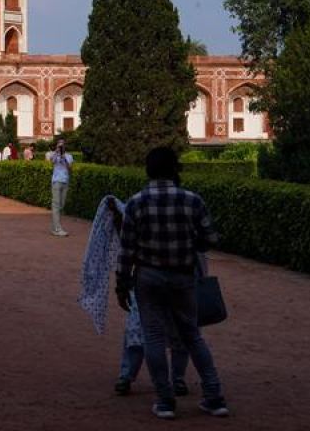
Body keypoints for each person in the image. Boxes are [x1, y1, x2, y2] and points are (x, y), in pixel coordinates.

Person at [116, 147, 229, 419]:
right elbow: (211, 239)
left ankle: (165, 401)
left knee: (153, 337)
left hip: (149, 276)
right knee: (191, 335)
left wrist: (121, 284)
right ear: (175, 169)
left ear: (149, 170)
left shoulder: (137, 202)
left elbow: (126, 249)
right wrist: (191, 245)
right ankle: (214, 397)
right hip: (182, 276)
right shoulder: (192, 200)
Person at [79, 195, 190, 400]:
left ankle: (131, 376)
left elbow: (128, 244)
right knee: (177, 330)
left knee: (140, 330)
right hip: (176, 280)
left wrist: (122, 285)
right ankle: (174, 379)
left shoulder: (142, 202)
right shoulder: (186, 202)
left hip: (146, 280)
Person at [49, 140, 73, 236]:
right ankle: (57, 229)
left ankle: (54, 226)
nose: (61, 147)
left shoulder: (69, 156)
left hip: (65, 181)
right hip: (56, 181)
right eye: (59, 145)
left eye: (62, 145)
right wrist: (56, 152)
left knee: (61, 205)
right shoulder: (55, 155)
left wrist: (63, 157)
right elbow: (51, 160)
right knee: (56, 204)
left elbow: (70, 168)